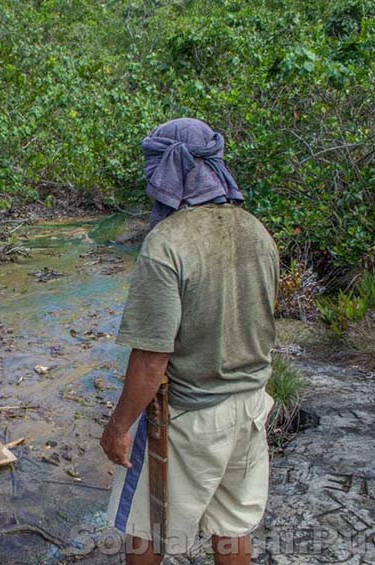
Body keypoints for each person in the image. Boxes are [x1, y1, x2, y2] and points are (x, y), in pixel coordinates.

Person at [99, 118, 279, 563]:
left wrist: (118, 427)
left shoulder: (167, 242)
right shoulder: (257, 232)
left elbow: (151, 361)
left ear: (167, 171)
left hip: (187, 419)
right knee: (233, 525)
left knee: (146, 528)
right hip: (251, 409)